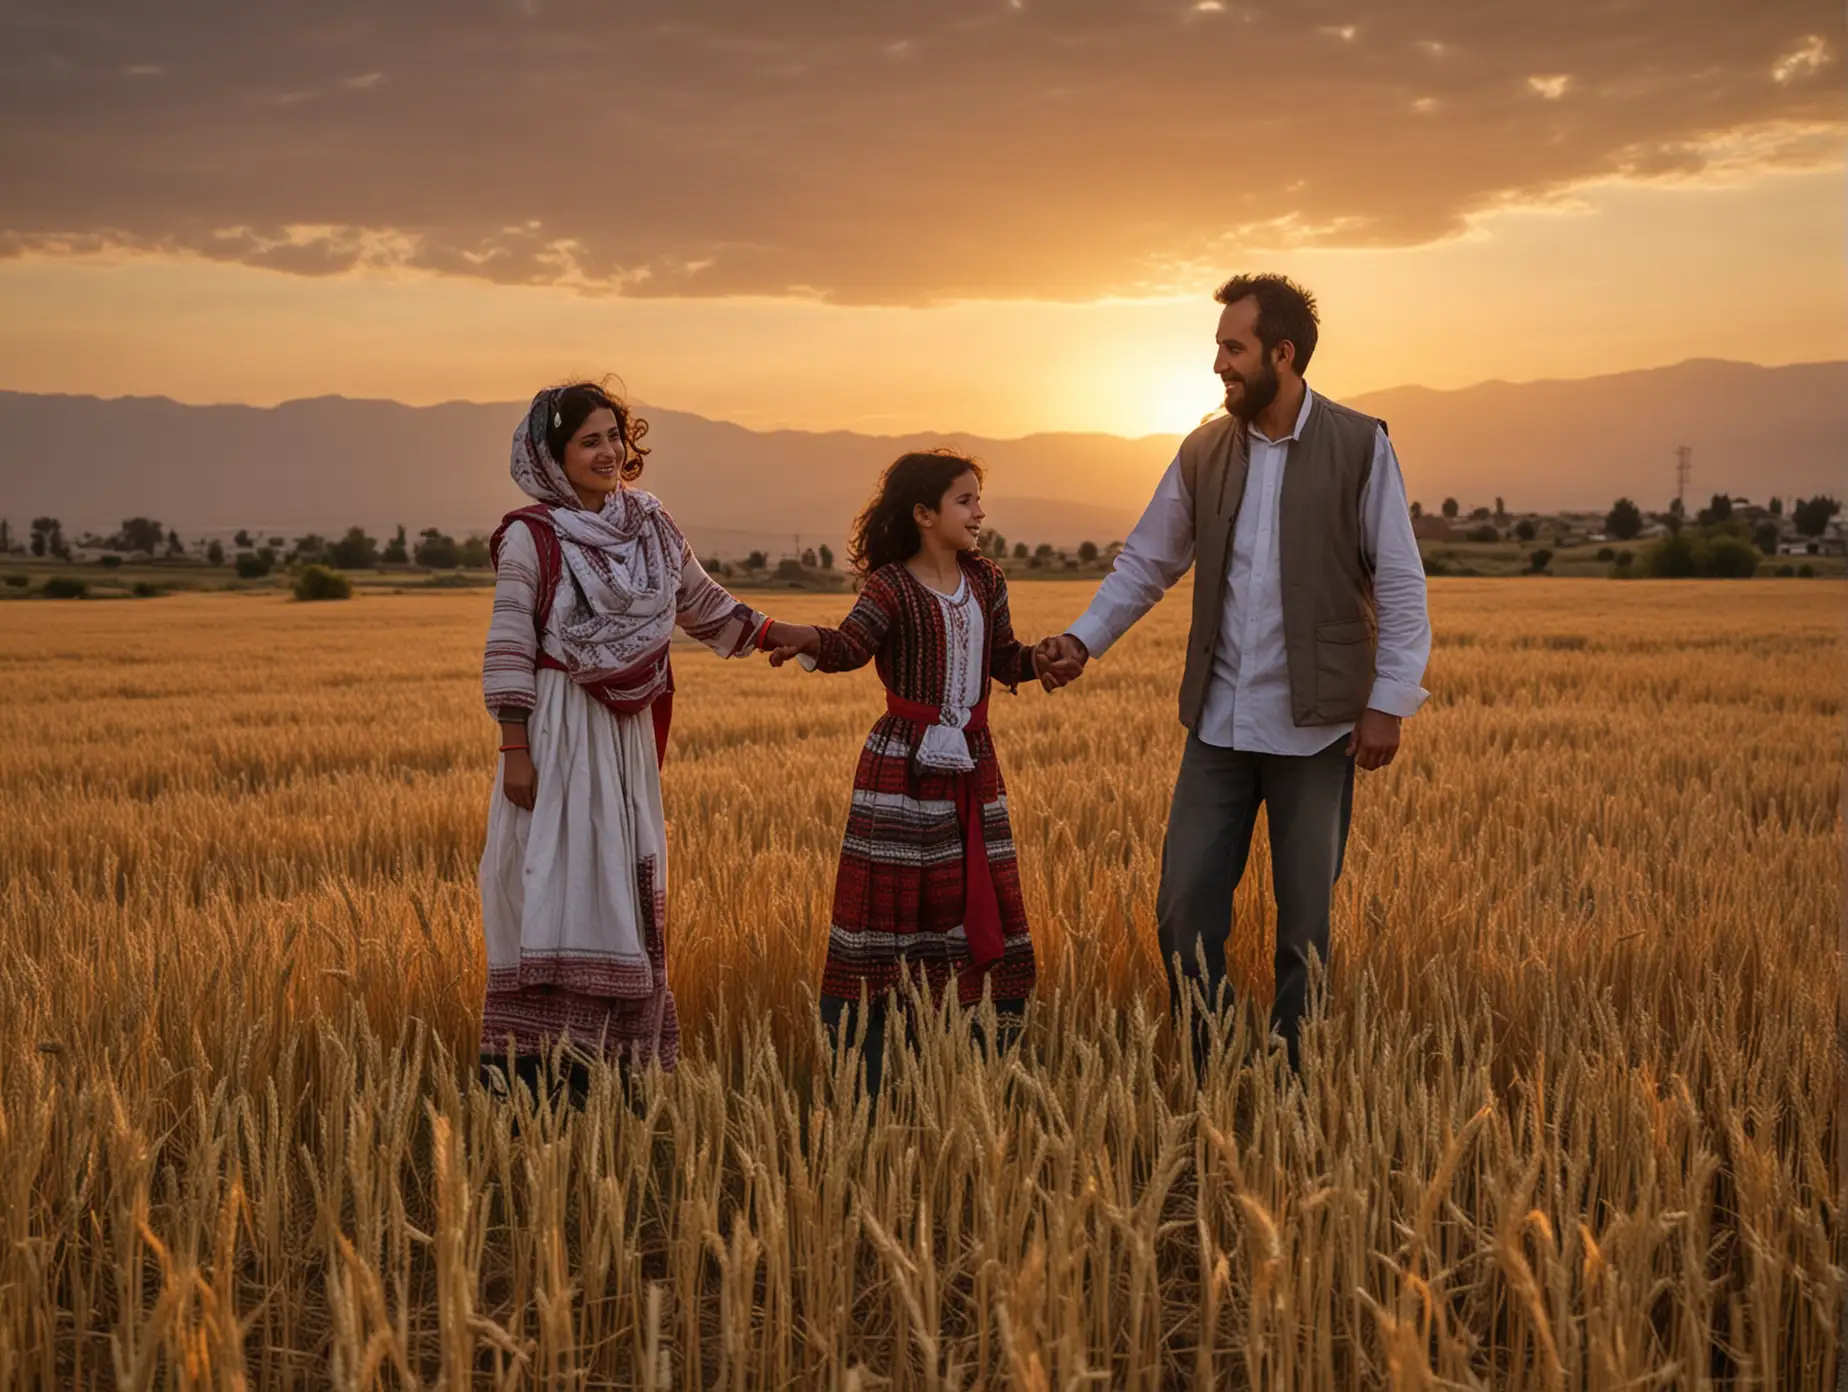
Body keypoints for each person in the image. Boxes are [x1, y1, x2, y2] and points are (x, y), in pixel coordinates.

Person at [1037, 275, 1431, 1072]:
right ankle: (1216, 1065)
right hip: (1218, 725)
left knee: (1305, 928)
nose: (1218, 363)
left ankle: (1289, 1079)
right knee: (1182, 912)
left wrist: (1389, 701)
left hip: (1317, 730)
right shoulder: (1203, 449)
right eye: (1220, 346)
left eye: (1233, 347)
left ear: (1281, 355)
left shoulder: (1360, 445)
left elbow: (1399, 580)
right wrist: (1083, 641)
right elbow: (1147, 561)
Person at [478, 380, 809, 1103]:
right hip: (561, 731)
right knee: (559, 882)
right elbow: (508, 645)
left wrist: (790, 635)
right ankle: (540, 1086)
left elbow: (703, 604)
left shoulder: (651, 526)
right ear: (552, 459)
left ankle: (616, 1087)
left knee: (621, 886)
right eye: (588, 441)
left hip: (626, 742)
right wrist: (515, 749)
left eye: (613, 437)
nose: (607, 452)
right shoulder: (531, 537)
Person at [771, 450, 1058, 1097]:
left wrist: (1048, 659)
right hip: (901, 772)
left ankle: (974, 1068)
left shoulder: (987, 580)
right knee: (893, 916)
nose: (979, 511)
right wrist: (800, 637)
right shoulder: (891, 587)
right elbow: (849, 647)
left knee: (970, 904)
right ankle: (872, 1072)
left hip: (973, 769)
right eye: (965, 500)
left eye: (978, 499)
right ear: (924, 514)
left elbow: (1005, 659)